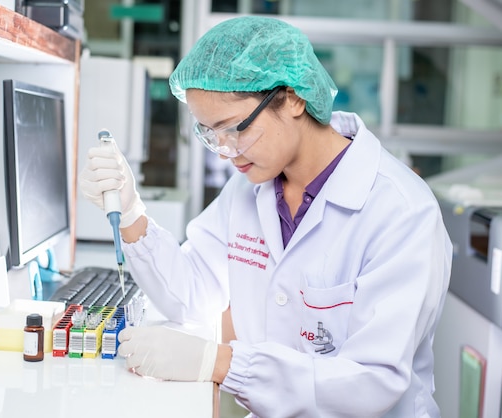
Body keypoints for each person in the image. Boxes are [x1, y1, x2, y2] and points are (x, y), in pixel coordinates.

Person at [79, 16, 452, 418]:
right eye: (209, 134)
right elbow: (193, 297)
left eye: (234, 128)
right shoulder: (248, 189)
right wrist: (132, 213)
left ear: (292, 97)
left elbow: (371, 381)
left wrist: (218, 363)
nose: (225, 151)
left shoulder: (401, 212)